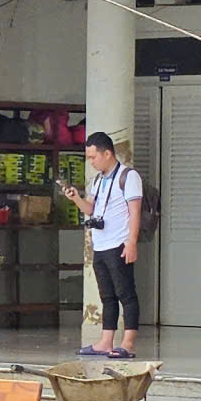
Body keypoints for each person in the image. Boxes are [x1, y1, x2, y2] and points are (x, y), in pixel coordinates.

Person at [64, 132, 142, 359]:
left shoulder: (128, 176)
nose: (91, 162)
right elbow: (92, 210)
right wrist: (76, 198)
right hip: (100, 244)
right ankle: (106, 341)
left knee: (126, 294)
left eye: (93, 157)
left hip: (119, 243)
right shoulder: (98, 180)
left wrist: (132, 242)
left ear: (107, 153)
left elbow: (135, 212)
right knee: (107, 296)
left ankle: (128, 343)